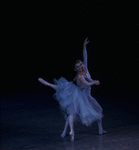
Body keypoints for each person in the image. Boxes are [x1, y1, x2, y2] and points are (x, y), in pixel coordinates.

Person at [38, 38, 106, 141]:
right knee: (72, 113)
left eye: (81, 65)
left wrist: (84, 46)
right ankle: (65, 131)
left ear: (83, 64)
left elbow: (85, 56)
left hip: (87, 95)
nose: (81, 67)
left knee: (99, 110)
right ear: (76, 69)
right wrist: (94, 82)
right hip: (82, 97)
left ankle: (100, 129)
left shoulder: (86, 69)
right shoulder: (80, 75)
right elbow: (88, 81)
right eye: (78, 67)